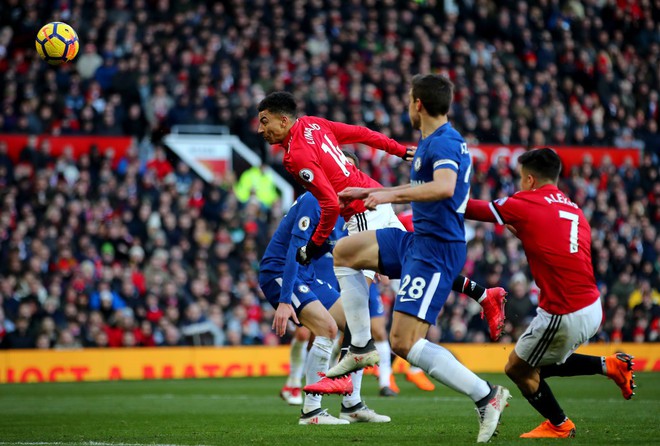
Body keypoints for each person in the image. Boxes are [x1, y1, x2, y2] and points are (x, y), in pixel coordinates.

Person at [324, 74, 510, 443]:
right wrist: (368, 190)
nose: (408, 106)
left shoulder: (443, 142)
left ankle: (486, 396)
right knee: (344, 252)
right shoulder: (432, 141)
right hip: (417, 240)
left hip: (436, 249)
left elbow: (443, 188)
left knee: (403, 343)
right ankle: (360, 347)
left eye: (409, 100)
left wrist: (387, 195)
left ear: (418, 104)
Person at [464, 148, 636, 438]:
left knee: (518, 368)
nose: (520, 185)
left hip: (563, 311)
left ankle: (560, 424)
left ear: (529, 180)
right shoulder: (574, 209)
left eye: (521, 180)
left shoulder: (528, 201)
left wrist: (432, 191)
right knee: (541, 361)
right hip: (592, 306)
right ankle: (612, 366)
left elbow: (469, 209)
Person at [259, 191, 390, 424]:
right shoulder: (314, 200)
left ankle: (352, 404)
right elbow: (293, 250)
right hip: (280, 271)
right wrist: (285, 300)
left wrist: (370, 263)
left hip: (306, 276)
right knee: (327, 329)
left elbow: (338, 249)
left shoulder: (342, 212)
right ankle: (311, 410)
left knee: (357, 326)